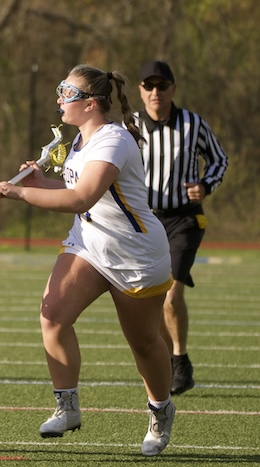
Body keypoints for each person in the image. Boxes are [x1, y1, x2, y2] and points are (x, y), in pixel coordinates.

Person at [0, 64, 175, 457]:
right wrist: (41, 184)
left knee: (143, 342)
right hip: (88, 244)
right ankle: (67, 407)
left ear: (91, 104)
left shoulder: (114, 140)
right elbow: (74, 189)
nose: (59, 99)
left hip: (134, 255)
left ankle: (160, 411)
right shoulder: (78, 140)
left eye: (66, 93)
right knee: (52, 315)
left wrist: (21, 195)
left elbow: (81, 198)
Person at [135, 60, 228, 396]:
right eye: (149, 86)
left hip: (184, 218)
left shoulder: (192, 124)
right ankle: (169, 361)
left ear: (173, 88)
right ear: (140, 90)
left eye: (162, 86)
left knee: (172, 293)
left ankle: (179, 359)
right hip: (145, 221)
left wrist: (205, 185)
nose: (156, 92)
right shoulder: (130, 127)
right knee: (154, 298)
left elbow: (219, 159)